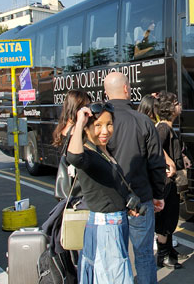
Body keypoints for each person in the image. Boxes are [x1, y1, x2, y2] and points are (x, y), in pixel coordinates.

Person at [104, 72, 166, 284]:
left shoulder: (100, 124)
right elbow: (157, 163)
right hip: (141, 198)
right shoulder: (143, 121)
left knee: (115, 256)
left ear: (105, 93)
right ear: (126, 89)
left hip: (110, 202)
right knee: (144, 254)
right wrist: (158, 194)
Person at [66, 102, 134, 283]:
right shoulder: (87, 154)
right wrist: (80, 120)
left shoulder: (102, 151)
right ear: (87, 129)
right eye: (97, 125)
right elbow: (73, 157)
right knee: (113, 276)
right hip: (106, 228)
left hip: (115, 224)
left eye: (109, 124)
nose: (105, 131)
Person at [154, 91, 191, 269]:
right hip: (166, 183)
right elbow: (155, 147)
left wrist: (181, 157)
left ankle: (169, 251)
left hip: (170, 183)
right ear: (169, 108)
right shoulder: (162, 128)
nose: (179, 105)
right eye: (176, 102)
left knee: (170, 217)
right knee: (165, 220)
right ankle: (162, 256)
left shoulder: (168, 127)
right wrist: (169, 161)